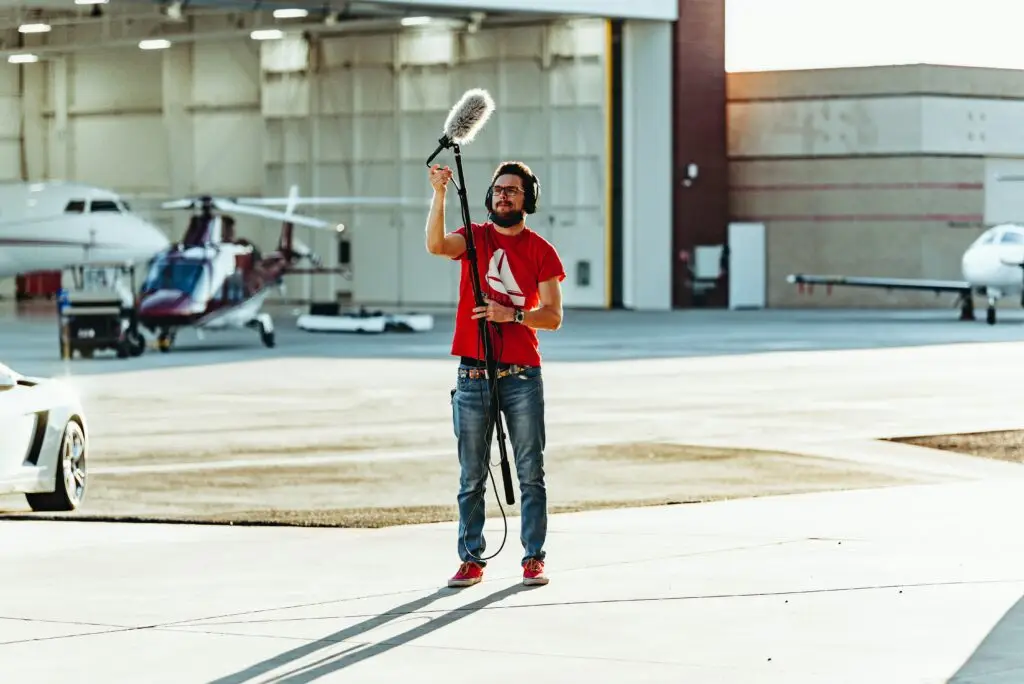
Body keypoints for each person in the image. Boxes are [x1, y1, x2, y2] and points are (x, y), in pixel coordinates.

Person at [425, 160, 566, 588]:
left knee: (530, 471)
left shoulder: (541, 250)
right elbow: (435, 246)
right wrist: (440, 194)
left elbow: (554, 316)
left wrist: (514, 314)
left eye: (513, 190)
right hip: (472, 375)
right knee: (471, 475)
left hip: (522, 376)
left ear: (529, 199)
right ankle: (471, 558)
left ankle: (533, 556)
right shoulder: (474, 238)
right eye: (499, 189)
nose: (504, 195)